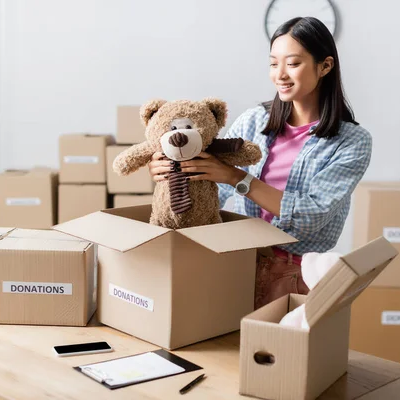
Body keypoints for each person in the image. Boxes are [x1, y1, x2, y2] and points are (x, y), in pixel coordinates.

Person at [148, 17, 372, 310]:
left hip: (293, 275)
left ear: (325, 66)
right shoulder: (255, 120)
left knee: (276, 354)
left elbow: (311, 214)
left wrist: (236, 178)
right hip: (234, 259)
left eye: (292, 63)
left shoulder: (352, 141)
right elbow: (209, 177)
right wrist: (167, 167)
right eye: (273, 63)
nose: (280, 74)